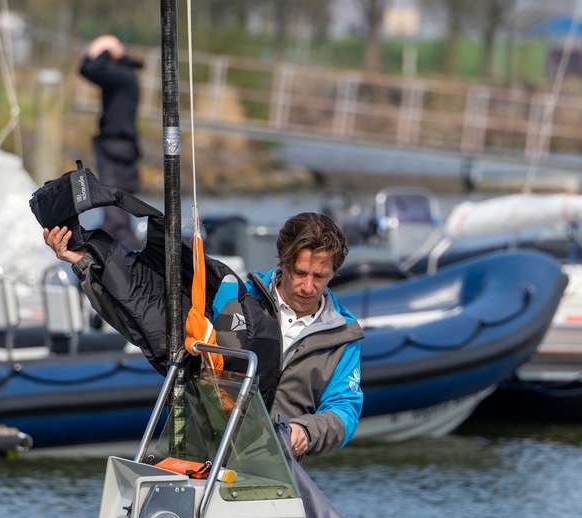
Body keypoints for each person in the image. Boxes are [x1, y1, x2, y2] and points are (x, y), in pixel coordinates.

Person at [43, 212, 364, 457]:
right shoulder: (234, 296)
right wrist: (84, 265)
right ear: (282, 263)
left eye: (320, 276)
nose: (308, 286)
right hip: (195, 455)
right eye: (300, 273)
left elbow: (344, 410)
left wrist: (304, 432)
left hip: (271, 471)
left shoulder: (342, 337)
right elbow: (143, 316)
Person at [79, 35, 143, 250]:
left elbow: (88, 70)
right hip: (122, 146)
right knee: (116, 212)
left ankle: (128, 257)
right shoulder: (125, 75)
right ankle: (118, 254)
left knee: (116, 218)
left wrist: (102, 49)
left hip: (115, 146)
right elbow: (91, 70)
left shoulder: (121, 76)